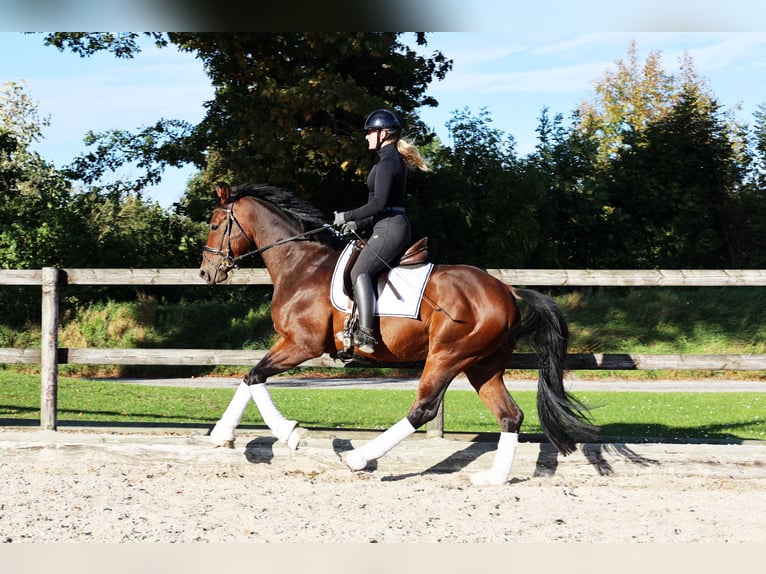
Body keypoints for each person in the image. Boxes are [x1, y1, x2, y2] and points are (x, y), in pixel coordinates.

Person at [333, 109, 429, 353]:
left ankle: (365, 335)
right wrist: (359, 224)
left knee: (360, 272)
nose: (366, 137)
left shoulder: (388, 163)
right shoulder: (387, 161)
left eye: (370, 132)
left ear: (383, 134)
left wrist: (348, 215)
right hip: (384, 225)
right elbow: (379, 205)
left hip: (391, 227)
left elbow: (379, 204)